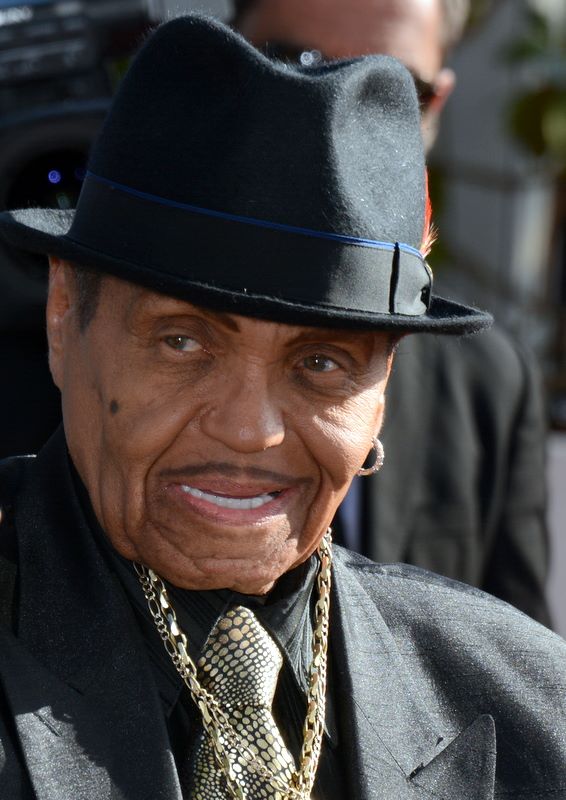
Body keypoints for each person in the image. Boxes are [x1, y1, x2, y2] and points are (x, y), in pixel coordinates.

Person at [0, 15, 564, 798]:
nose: (249, 429)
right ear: (66, 315)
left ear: (382, 391)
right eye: (184, 343)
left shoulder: (529, 708)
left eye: (322, 362)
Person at [233, 0, 552, 626]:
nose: (337, 111)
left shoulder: (488, 385)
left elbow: (525, 680)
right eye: (299, 64)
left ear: (437, 105)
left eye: (392, 89)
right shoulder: (85, 338)